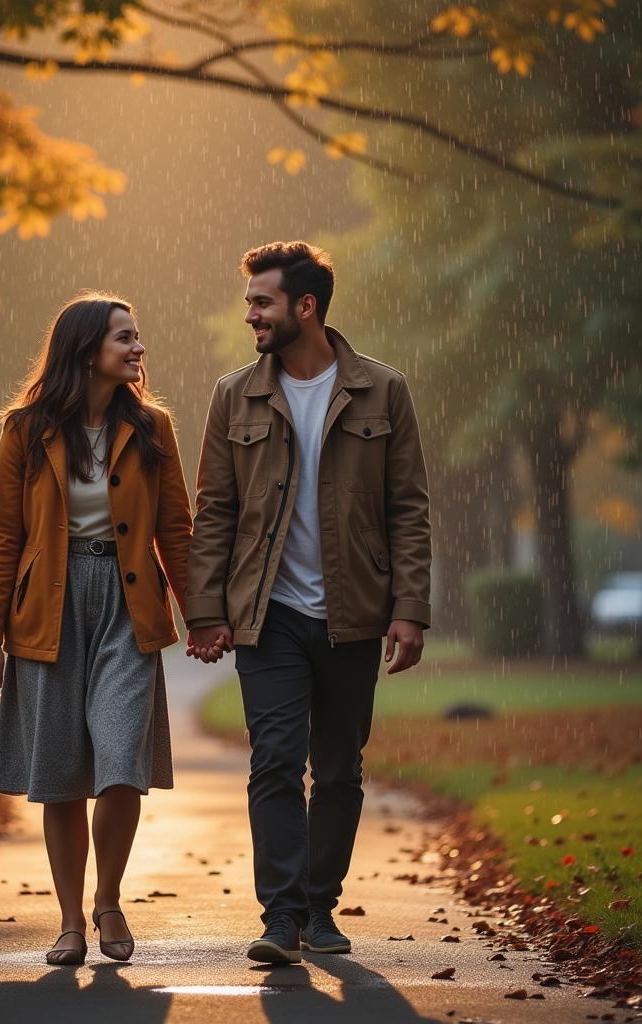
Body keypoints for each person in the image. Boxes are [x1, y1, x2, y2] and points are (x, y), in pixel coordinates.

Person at [185, 241, 431, 964]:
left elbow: (409, 507)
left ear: (305, 306)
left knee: (340, 767)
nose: (250, 315)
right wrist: (206, 609)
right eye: (250, 302)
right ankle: (281, 916)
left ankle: (321, 908)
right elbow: (216, 508)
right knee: (274, 761)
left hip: (354, 611)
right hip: (269, 614)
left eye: (261, 302)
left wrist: (409, 606)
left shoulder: (383, 391)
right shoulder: (236, 395)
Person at [0, 292, 192, 966]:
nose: (138, 348)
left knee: (123, 760)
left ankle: (109, 900)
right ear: (85, 348)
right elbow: (3, 535)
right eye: (124, 337)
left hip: (128, 608)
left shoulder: (154, 428)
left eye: (138, 335)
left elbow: (176, 532)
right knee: (61, 770)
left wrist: (205, 616)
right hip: (48, 610)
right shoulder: (25, 429)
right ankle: (70, 922)